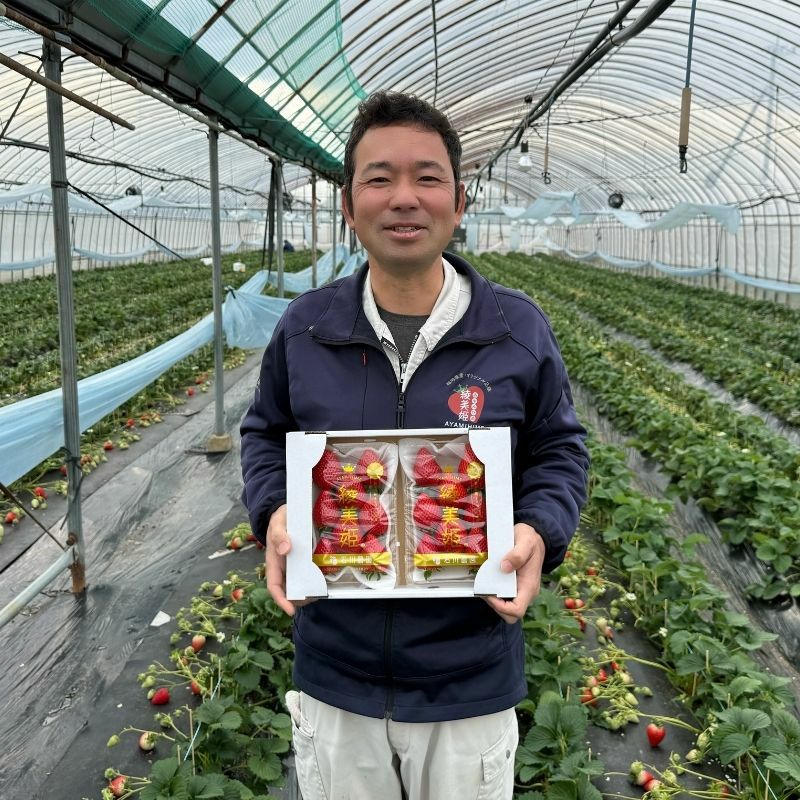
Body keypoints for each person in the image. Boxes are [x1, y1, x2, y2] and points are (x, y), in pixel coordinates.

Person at [240, 90, 589, 800]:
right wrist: (275, 510)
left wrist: (537, 530)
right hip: (336, 673)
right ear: (348, 204)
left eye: (427, 178)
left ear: (459, 203)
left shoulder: (516, 329)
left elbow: (559, 449)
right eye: (380, 178)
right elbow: (265, 434)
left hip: (470, 674)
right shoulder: (305, 329)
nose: (404, 197)